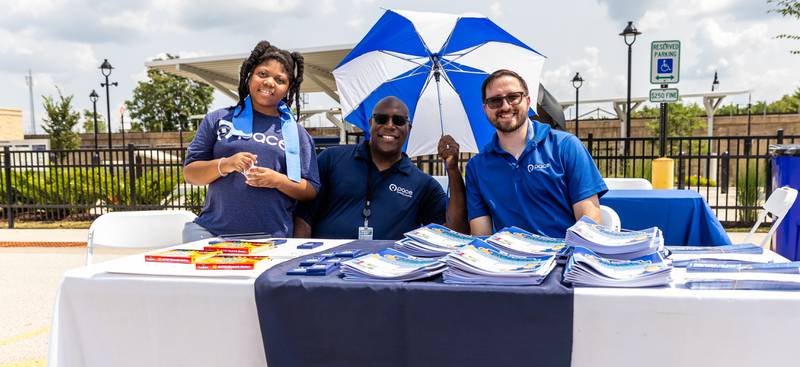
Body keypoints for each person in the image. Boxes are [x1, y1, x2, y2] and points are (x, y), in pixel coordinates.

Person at [182, 41, 320, 241]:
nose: (269, 82)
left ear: (288, 88)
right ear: (249, 76)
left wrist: (277, 180)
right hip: (212, 235)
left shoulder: (297, 133)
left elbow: (310, 191)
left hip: (271, 240)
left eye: (280, 79)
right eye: (262, 74)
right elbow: (191, 174)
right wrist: (226, 164)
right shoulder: (218, 119)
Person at [293, 96, 468, 241]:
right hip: (326, 269)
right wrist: (300, 259)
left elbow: (454, 233)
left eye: (399, 120)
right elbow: (304, 215)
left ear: (409, 128)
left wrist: (452, 169)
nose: (390, 125)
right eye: (382, 118)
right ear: (371, 122)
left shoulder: (423, 184)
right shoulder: (331, 159)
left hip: (387, 273)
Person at [465, 69, 607, 237]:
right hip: (508, 259)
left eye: (513, 97)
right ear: (485, 108)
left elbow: (590, 226)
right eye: (495, 101)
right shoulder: (476, 167)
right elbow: (481, 235)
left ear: (528, 101)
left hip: (562, 256)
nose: (505, 106)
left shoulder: (566, 147)